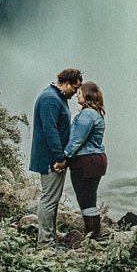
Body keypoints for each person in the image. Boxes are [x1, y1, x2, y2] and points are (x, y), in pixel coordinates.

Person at [29, 67, 82, 247]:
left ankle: (50, 237)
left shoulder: (56, 97)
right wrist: (59, 157)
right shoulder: (50, 99)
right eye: (75, 88)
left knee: (53, 199)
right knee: (49, 200)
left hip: (54, 158)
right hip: (50, 160)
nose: (76, 93)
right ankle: (45, 242)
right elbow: (50, 131)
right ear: (66, 83)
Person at [64, 81, 108, 240]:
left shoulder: (87, 114)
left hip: (86, 161)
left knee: (86, 199)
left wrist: (65, 157)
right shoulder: (95, 113)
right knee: (88, 198)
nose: (77, 95)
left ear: (87, 95)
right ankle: (94, 234)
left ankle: (93, 235)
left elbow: (77, 139)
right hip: (94, 160)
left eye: (80, 92)